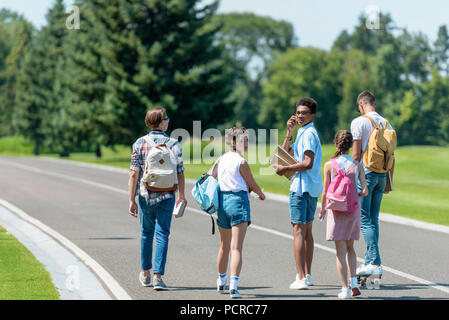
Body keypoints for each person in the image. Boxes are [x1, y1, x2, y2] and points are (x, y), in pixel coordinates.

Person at [128, 107, 186, 290]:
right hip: (168, 194)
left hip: (145, 194)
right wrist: (182, 196)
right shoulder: (174, 144)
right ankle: (158, 277)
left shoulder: (139, 143)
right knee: (162, 234)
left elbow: (133, 174)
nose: (168, 121)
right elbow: (180, 173)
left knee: (146, 234)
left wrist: (131, 199)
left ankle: (145, 274)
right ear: (161, 122)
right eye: (166, 118)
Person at [210, 127, 265, 299]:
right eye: (243, 140)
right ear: (233, 142)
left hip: (222, 202)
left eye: (247, 140)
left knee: (224, 246)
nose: (246, 144)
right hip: (238, 202)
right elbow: (252, 183)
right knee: (236, 247)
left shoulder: (221, 159)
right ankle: (233, 286)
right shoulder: (241, 162)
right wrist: (261, 194)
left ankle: (221, 281)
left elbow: (211, 177)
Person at [276, 97, 323, 290]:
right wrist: (289, 132)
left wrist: (286, 170)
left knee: (299, 232)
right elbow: (283, 153)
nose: (300, 115)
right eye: (298, 112)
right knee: (306, 233)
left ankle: (301, 277)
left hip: (302, 187)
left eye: (304, 113)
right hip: (309, 187)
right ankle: (307, 275)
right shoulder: (303, 132)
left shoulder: (309, 133)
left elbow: (307, 162)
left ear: (312, 115)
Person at [350, 90, 395, 277]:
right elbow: (392, 155)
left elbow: (355, 155)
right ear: (373, 104)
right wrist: (389, 181)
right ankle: (369, 261)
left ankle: (375, 261)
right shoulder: (386, 123)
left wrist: (349, 177)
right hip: (382, 174)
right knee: (373, 219)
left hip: (365, 175)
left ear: (361, 104)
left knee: (364, 219)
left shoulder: (358, 122)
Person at [319, 130, 368, 299]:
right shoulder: (357, 164)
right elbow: (365, 191)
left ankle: (344, 289)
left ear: (336, 144)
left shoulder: (329, 164)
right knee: (350, 248)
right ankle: (354, 283)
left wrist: (323, 209)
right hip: (352, 210)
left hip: (336, 209)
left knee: (339, 251)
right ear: (351, 145)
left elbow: (325, 191)